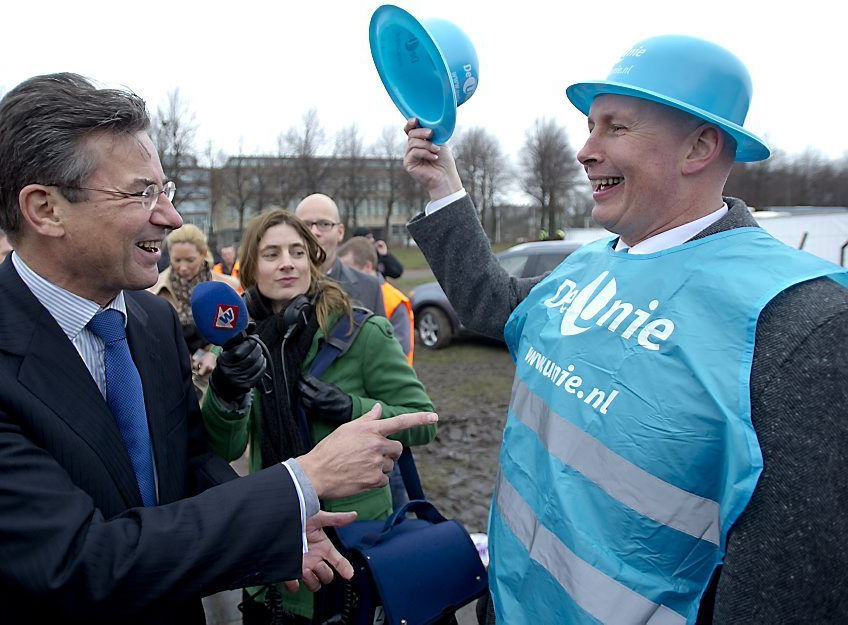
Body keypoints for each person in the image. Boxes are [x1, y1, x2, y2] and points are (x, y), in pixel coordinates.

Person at [0, 73, 437, 625]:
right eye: (141, 193)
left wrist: (281, 522)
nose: (172, 216)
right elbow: (76, 562)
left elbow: (189, 461)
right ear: (45, 208)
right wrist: (299, 481)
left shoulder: (152, 319)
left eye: (167, 189)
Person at [401, 36, 847, 624]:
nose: (584, 150)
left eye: (615, 128)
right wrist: (444, 188)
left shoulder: (799, 317)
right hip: (510, 602)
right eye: (590, 126)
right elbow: (497, 306)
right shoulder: (593, 261)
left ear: (700, 146)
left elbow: (791, 587)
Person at [201, 209, 436, 624]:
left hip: (353, 543)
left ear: (313, 260)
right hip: (275, 541)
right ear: (251, 267)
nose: (287, 262)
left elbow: (423, 420)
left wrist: (351, 408)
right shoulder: (239, 346)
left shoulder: (362, 333)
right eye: (271, 254)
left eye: (297, 251)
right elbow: (225, 448)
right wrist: (227, 391)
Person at [148, 224, 241, 390]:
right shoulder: (151, 291)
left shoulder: (229, 288)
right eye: (177, 260)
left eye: (190, 260)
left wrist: (214, 353)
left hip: (217, 382)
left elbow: (239, 333)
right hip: (170, 383)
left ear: (203, 254)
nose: (183, 268)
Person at [295, 194, 386, 317]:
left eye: (324, 224)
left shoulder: (370, 288)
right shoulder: (277, 285)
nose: (314, 232)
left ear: (340, 232)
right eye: (305, 225)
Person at [338, 236, 413, 366]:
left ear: (368, 266)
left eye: (348, 270)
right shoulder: (347, 295)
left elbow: (400, 350)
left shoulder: (394, 301)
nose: (344, 276)